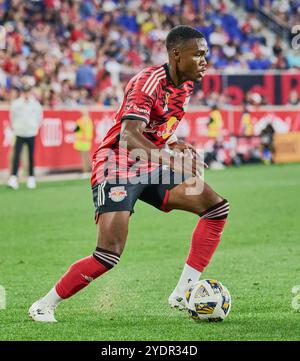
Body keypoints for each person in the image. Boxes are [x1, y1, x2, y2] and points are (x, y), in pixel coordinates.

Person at [29, 25, 230, 322]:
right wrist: (171, 160)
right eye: (198, 54)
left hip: (149, 164)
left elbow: (156, 126)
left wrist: (173, 142)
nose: (204, 61)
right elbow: (129, 136)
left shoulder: (186, 85)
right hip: (116, 165)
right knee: (108, 254)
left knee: (215, 207)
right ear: (176, 55)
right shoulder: (148, 82)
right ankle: (44, 304)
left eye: (205, 55)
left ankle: (184, 291)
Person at [7, 86, 43, 190]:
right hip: (19, 133)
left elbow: (39, 117)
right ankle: (13, 177)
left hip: (31, 133)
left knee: (31, 156)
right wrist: (16, 127)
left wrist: (34, 127)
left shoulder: (35, 104)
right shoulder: (16, 104)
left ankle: (31, 177)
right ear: (22, 93)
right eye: (25, 92)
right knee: (16, 155)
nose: (26, 94)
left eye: (28, 92)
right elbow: (12, 117)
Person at [73, 109, 94, 178]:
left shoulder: (80, 121)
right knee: (87, 156)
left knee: (84, 157)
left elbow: (76, 131)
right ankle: (89, 171)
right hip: (86, 141)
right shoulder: (89, 121)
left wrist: (80, 137)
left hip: (82, 141)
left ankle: (86, 171)